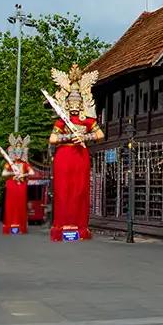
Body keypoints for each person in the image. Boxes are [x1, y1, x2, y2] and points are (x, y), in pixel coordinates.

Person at [45, 65, 104, 240]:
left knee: (80, 190)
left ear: (82, 103)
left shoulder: (88, 120)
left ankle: (80, 225)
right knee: (63, 190)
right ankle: (62, 224)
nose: (74, 106)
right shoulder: (62, 121)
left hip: (80, 156)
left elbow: (100, 134)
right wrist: (70, 137)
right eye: (71, 103)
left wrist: (85, 138)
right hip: (64, 156)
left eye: (77, 103)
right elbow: (53, 139)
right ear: (66, 103)